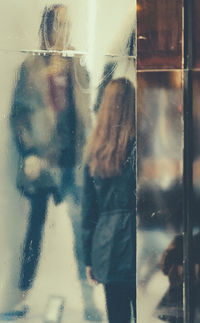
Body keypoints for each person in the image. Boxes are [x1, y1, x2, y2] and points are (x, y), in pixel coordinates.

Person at [81, 78, 136, 323]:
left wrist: (88, 259)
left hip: (107, 248)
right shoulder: (139, 146)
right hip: (137, 243)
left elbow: (87, 213)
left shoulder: (95, 150)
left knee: (117, 317)